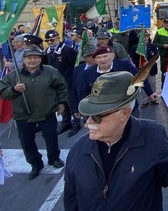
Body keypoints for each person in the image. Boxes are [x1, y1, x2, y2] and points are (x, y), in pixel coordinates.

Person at [64, 71, 168, 210]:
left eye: (97, 117)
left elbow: (166, 169)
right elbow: (71, 200)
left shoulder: (152, 135)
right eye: (87, 115)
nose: (87, 123)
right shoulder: (78, 150)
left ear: (124, 113)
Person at [0, 46, 67, 180]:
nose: (32, 60)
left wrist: (61, 103)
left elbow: (62, 86)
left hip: (46, 111)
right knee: (26, 141)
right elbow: (2, 92)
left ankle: (54, 158)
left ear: (40, 59)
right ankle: (35, 164)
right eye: (29, 58)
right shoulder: (14, 75)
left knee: (51, 137)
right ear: (23, 60)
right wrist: (14, 89)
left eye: (35, 58)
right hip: (23, 114)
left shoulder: (50, 71)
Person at [81, 46, 159, 117]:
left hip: (127, 108)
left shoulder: (124, 65)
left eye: (105, 56)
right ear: (95, 60)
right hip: (104, 113)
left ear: (112, 57)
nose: (102, 60)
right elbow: (85, 93)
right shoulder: (88, 73)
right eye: (99, 57)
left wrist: (150, 93)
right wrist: (88, 115)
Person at [44, 29, 79, 136]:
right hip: (56, 84)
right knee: (62, 104)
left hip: (68, 82)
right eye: (47, 41)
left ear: (58, 38)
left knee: (71, 104)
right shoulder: (48, 52)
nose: (50, 42)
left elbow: (75, 65)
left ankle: (76, 124)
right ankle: (66, 123)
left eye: (52, 40)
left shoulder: (67, 50)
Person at [69, 43, 97, 137]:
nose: (94, 58)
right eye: (91, 56)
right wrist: (75, 109)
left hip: (98, 108)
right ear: (85, 58)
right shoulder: (78, 70)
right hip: (84, 107)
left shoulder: (101, 69)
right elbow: (74, 90)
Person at [130, 28, 159, 97]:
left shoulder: (153, 46)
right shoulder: (135, 48)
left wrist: (149, 62)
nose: (145, 38)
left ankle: (154, 98)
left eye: (147, 36)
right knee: (143, 84)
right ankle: (145, 100)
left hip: (151, 68)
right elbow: (133, 58)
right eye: (143, 36)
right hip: (141, 69)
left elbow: (156, 56)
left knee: (152, 83)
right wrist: (140, 63)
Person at [153, 18, 168, 86]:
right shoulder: (159, 31)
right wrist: (162, 45)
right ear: (163, 24)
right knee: (164, 70)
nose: (167, 24)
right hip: (164, 54)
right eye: (166, 23)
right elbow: (155, 43)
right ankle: (164, 85)